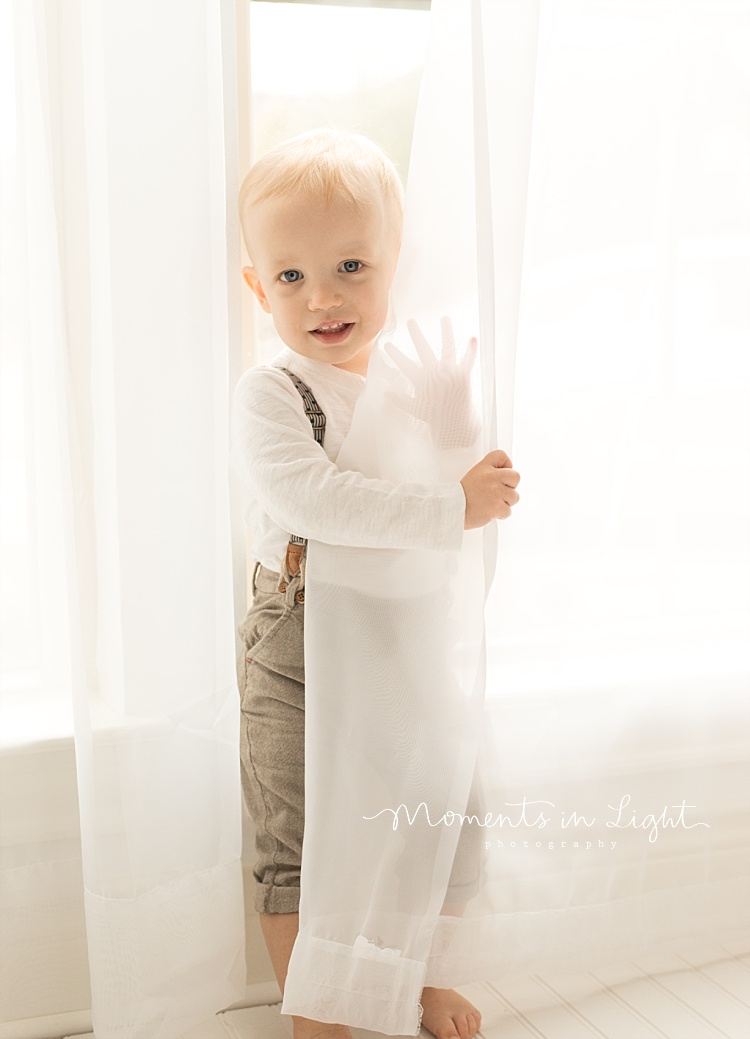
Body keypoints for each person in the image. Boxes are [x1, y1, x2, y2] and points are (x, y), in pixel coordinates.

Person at [232, 128, 520, 1039]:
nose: (323, 297)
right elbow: (317, 498)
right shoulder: (273, 393)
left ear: (396, 265)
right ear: (258, 287)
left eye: (352, 265)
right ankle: (316, 1007)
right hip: (299, 634)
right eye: (291, 277)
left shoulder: (405, 378)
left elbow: (463, 481)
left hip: (402, 627)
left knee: (446, 807)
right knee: (296, 832)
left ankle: (421, 976)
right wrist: (450, 503)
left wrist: (462, 438)